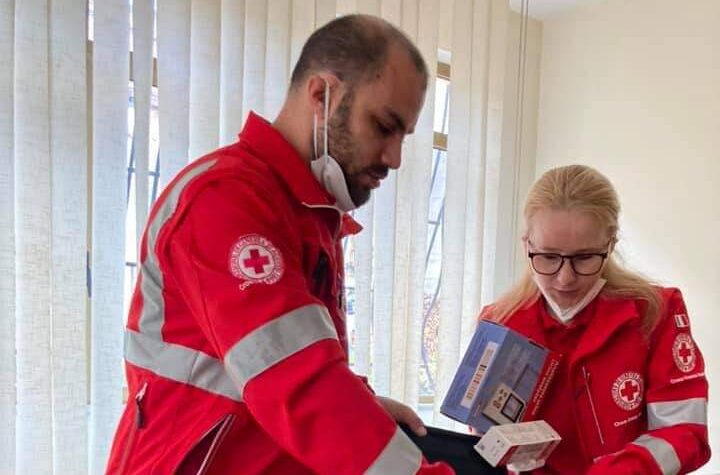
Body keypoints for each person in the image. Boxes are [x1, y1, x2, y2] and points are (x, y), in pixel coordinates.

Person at [105, 14, 454, 475]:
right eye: (383, 127)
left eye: (403, 136)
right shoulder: (226, 201)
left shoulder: (309, 216)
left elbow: (282, 361)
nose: (394, 158)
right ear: (320, 95)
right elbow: (300, 384)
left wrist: (363, 406)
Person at [479, 165, 710, 474]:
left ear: (610, 245)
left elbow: (685, 432)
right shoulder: (499, 323)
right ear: (527, 246)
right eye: (548, 257)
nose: (564, 279)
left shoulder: (656, 312)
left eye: (584, 258)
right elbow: (484, 435)